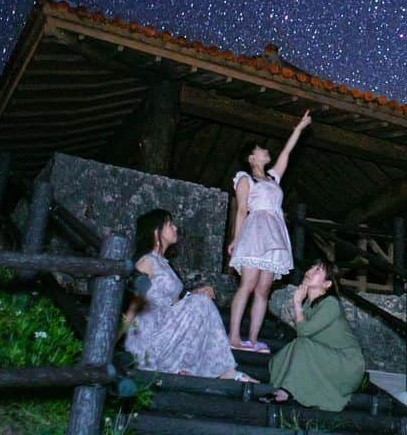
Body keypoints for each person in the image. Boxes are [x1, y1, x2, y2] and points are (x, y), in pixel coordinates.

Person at [123, 208, 253, 381]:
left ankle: (197, 366)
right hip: (149, 339)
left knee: (202, 300)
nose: (175, 228)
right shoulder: (146, 262)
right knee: (201, 303)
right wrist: (113, 341)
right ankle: (220, 371)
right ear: (157, 232)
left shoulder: (164, 264)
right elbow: (132, 306)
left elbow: (174, 305)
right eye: (170, 224)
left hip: (165, 332)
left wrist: (194, 293)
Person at [228, 110, 312, 352]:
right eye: (260, 149)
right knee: (248, 283)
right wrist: (236, 239)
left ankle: (253, 340)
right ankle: (234, 336)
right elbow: (242, 209)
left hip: (275, 233)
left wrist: (299, 127)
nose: (266, 151)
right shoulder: (245, 179)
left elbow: (287, 153)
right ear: (251, 157)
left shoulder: (273, 178)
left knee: (263, 289)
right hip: (255, 232)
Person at [261, 259, 366, 411]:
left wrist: (296, 303)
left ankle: (286, 391)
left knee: (301, 345)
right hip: (325, 356)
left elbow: (303, 332)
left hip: (346, 365)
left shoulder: (331, 303)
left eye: (318, 270)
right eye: (312, 267)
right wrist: (300, 305)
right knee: (279, 358)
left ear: (327, 284)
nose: (311, 271)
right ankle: (297, 388)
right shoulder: (309, 305)